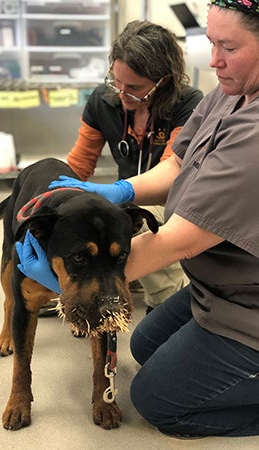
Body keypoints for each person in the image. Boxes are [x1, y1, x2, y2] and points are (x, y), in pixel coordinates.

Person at [17, 0, 259, 437]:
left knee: (157, 402)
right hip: (216, 284)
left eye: (228, 46)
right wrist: (119, 189)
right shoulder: (227, 95)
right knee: (145, 345)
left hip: (249, 303)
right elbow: (177, 164)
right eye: (211, 43)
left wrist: (69, 280)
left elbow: (178, 241)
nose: (214, 59)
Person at [64, 20, 203, 311]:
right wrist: (59, 198)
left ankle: (167, 301)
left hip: (172, 200)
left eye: (135, 88)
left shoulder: (189, 104)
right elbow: (80, 163)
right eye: (116, 82)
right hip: (124, 198)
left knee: (136, 226)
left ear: (163, 80)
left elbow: (171, 174)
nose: (122, 93)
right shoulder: (102, 102)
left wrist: (121, 192)